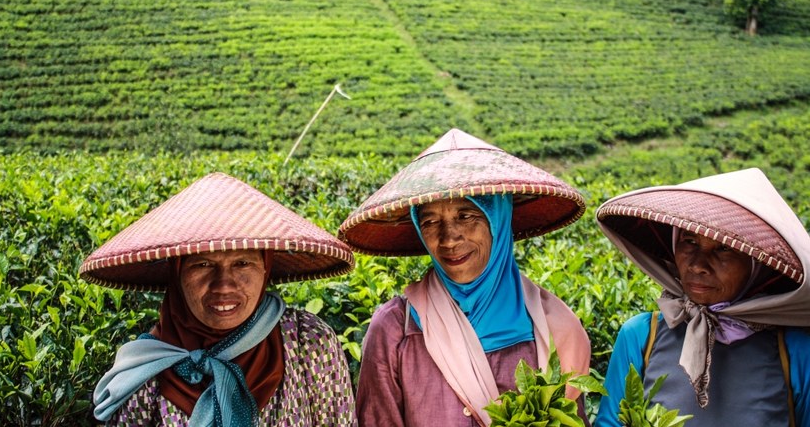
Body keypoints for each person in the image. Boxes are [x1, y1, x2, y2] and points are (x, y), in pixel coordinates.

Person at [338, 128, 592, 427]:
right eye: (431, 222)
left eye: (466, 216)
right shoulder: (396, 329)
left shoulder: (554, 327)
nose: (448, 239)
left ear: (498, 220)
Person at [79, 172, 357, 427]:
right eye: (202, 265)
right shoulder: (145, 374)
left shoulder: (307, 342)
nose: (224, 285)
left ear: (265, 268)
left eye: (242, 264)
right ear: (177, 275)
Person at [593, 168, 810, 426]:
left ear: (756, 264)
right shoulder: (641, 336)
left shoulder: (795, 348)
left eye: (724, 248)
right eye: (689, 241)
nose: (698, 265)